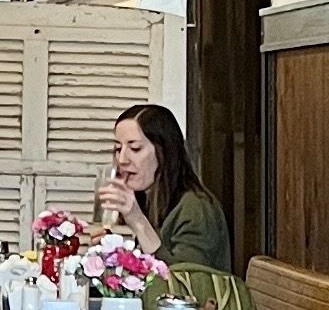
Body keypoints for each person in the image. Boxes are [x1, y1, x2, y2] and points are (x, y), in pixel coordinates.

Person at [95, 103, 231, 272]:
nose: (122, 159)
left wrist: (137, 220)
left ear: (164, 151)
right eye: (118, 148)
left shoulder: (196, 208)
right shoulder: (145, 198)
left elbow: (185, 282)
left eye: (135, 148)